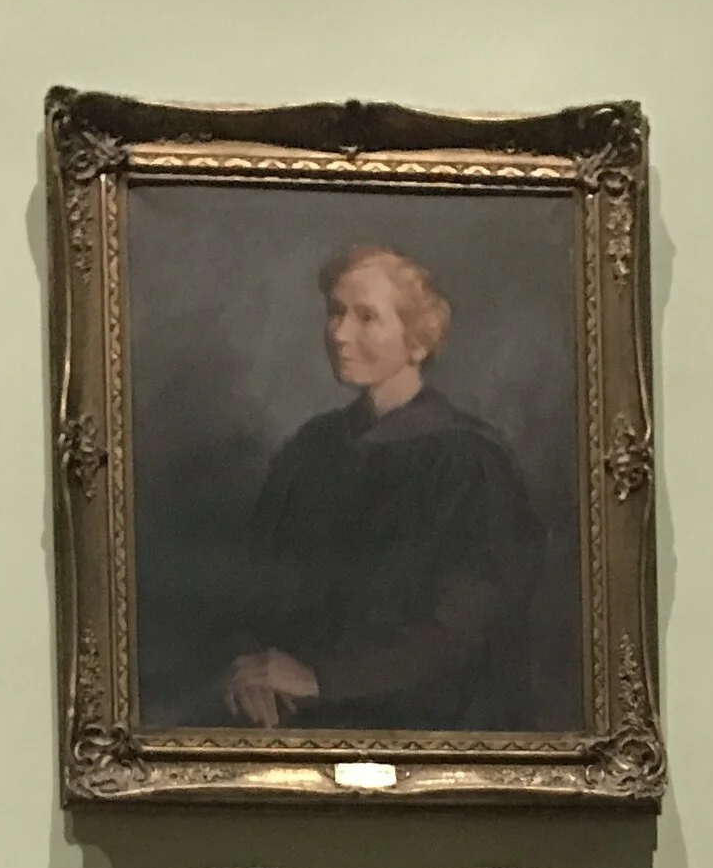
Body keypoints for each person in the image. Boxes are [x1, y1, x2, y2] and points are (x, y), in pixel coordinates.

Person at [222, 243, 545, 732]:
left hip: (423, 725)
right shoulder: (311, 449)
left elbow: (463, 629)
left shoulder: (470, 461)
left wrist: (321, 678)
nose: (338, 332)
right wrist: (250, 670)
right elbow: (255, 587)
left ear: (416, 341)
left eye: (365, 317)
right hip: (288, 719)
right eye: (335, 312)